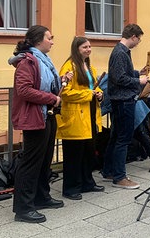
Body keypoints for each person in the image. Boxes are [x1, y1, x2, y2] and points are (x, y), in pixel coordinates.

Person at [8, 25, 72, 223]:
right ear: (38, 41)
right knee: (31, 162)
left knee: (45, 160)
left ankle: (41, 197)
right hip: (35, 116)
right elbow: (24, 90)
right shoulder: (27, 61)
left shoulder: (43, 61)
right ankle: (23, 208)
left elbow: (44, 84)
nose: (52, 41)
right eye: (49, 38)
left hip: (46, 115)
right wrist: (51, 99)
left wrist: (61, 80)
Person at [56, 37, 105, 200]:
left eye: (90, 46)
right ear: (77, 49)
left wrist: (99, 94)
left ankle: (87, 182)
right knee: (74, 154)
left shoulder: (89, 66)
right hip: (76, 115)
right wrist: (88, 94)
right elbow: (66, 92)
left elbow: (94, 86)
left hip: (89, 113)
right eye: (85, 47)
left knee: (88, 152)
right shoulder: (69, 66)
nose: (88, 49)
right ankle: (70, 187)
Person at [101, 24, 148, 189]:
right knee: (123, 139)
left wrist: (137, 73)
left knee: (115, 137)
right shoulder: (120, 52)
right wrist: (139, 81)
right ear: (133, 36)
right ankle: (120, 177)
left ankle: (108, 171)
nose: (138, 43)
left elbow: (121, 73)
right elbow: (119, 78)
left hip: (121, 100)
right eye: (139, 39)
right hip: (123, 101)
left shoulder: (122, 52)